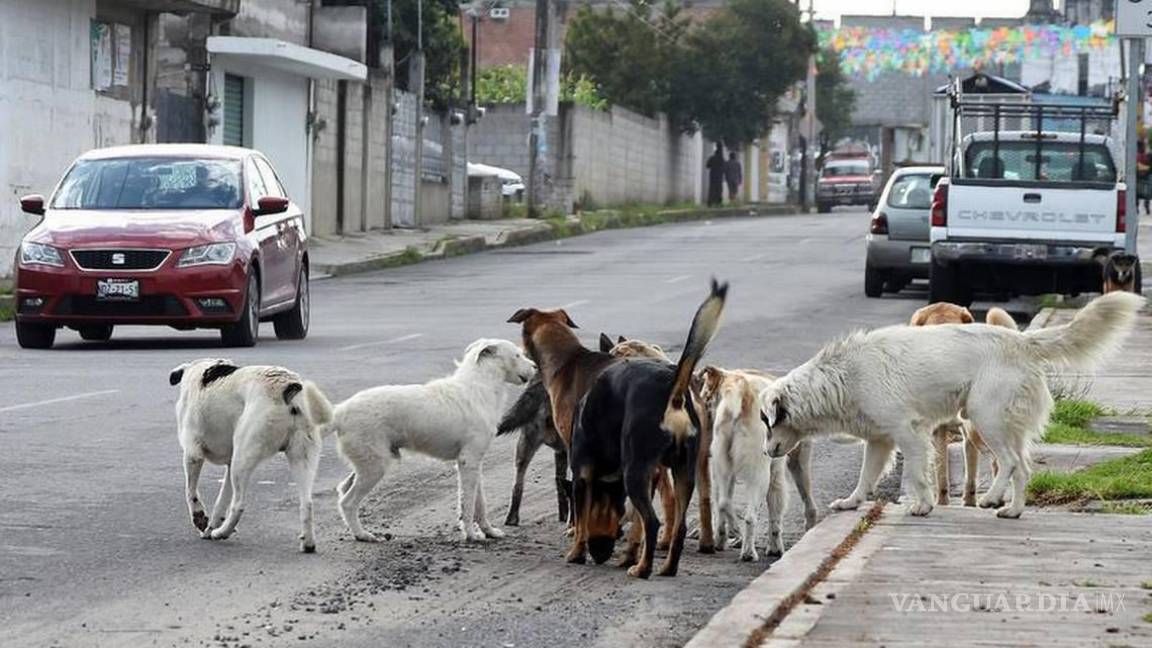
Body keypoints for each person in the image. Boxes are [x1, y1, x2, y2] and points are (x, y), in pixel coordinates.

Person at [1138, 140, 1151, 215]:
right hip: (1144, 175)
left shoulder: (1146, 155)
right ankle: (1146, 206)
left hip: (1142, 175)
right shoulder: (1145, 155)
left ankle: (1146, 206)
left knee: (1146, 193)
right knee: (1147, 193)